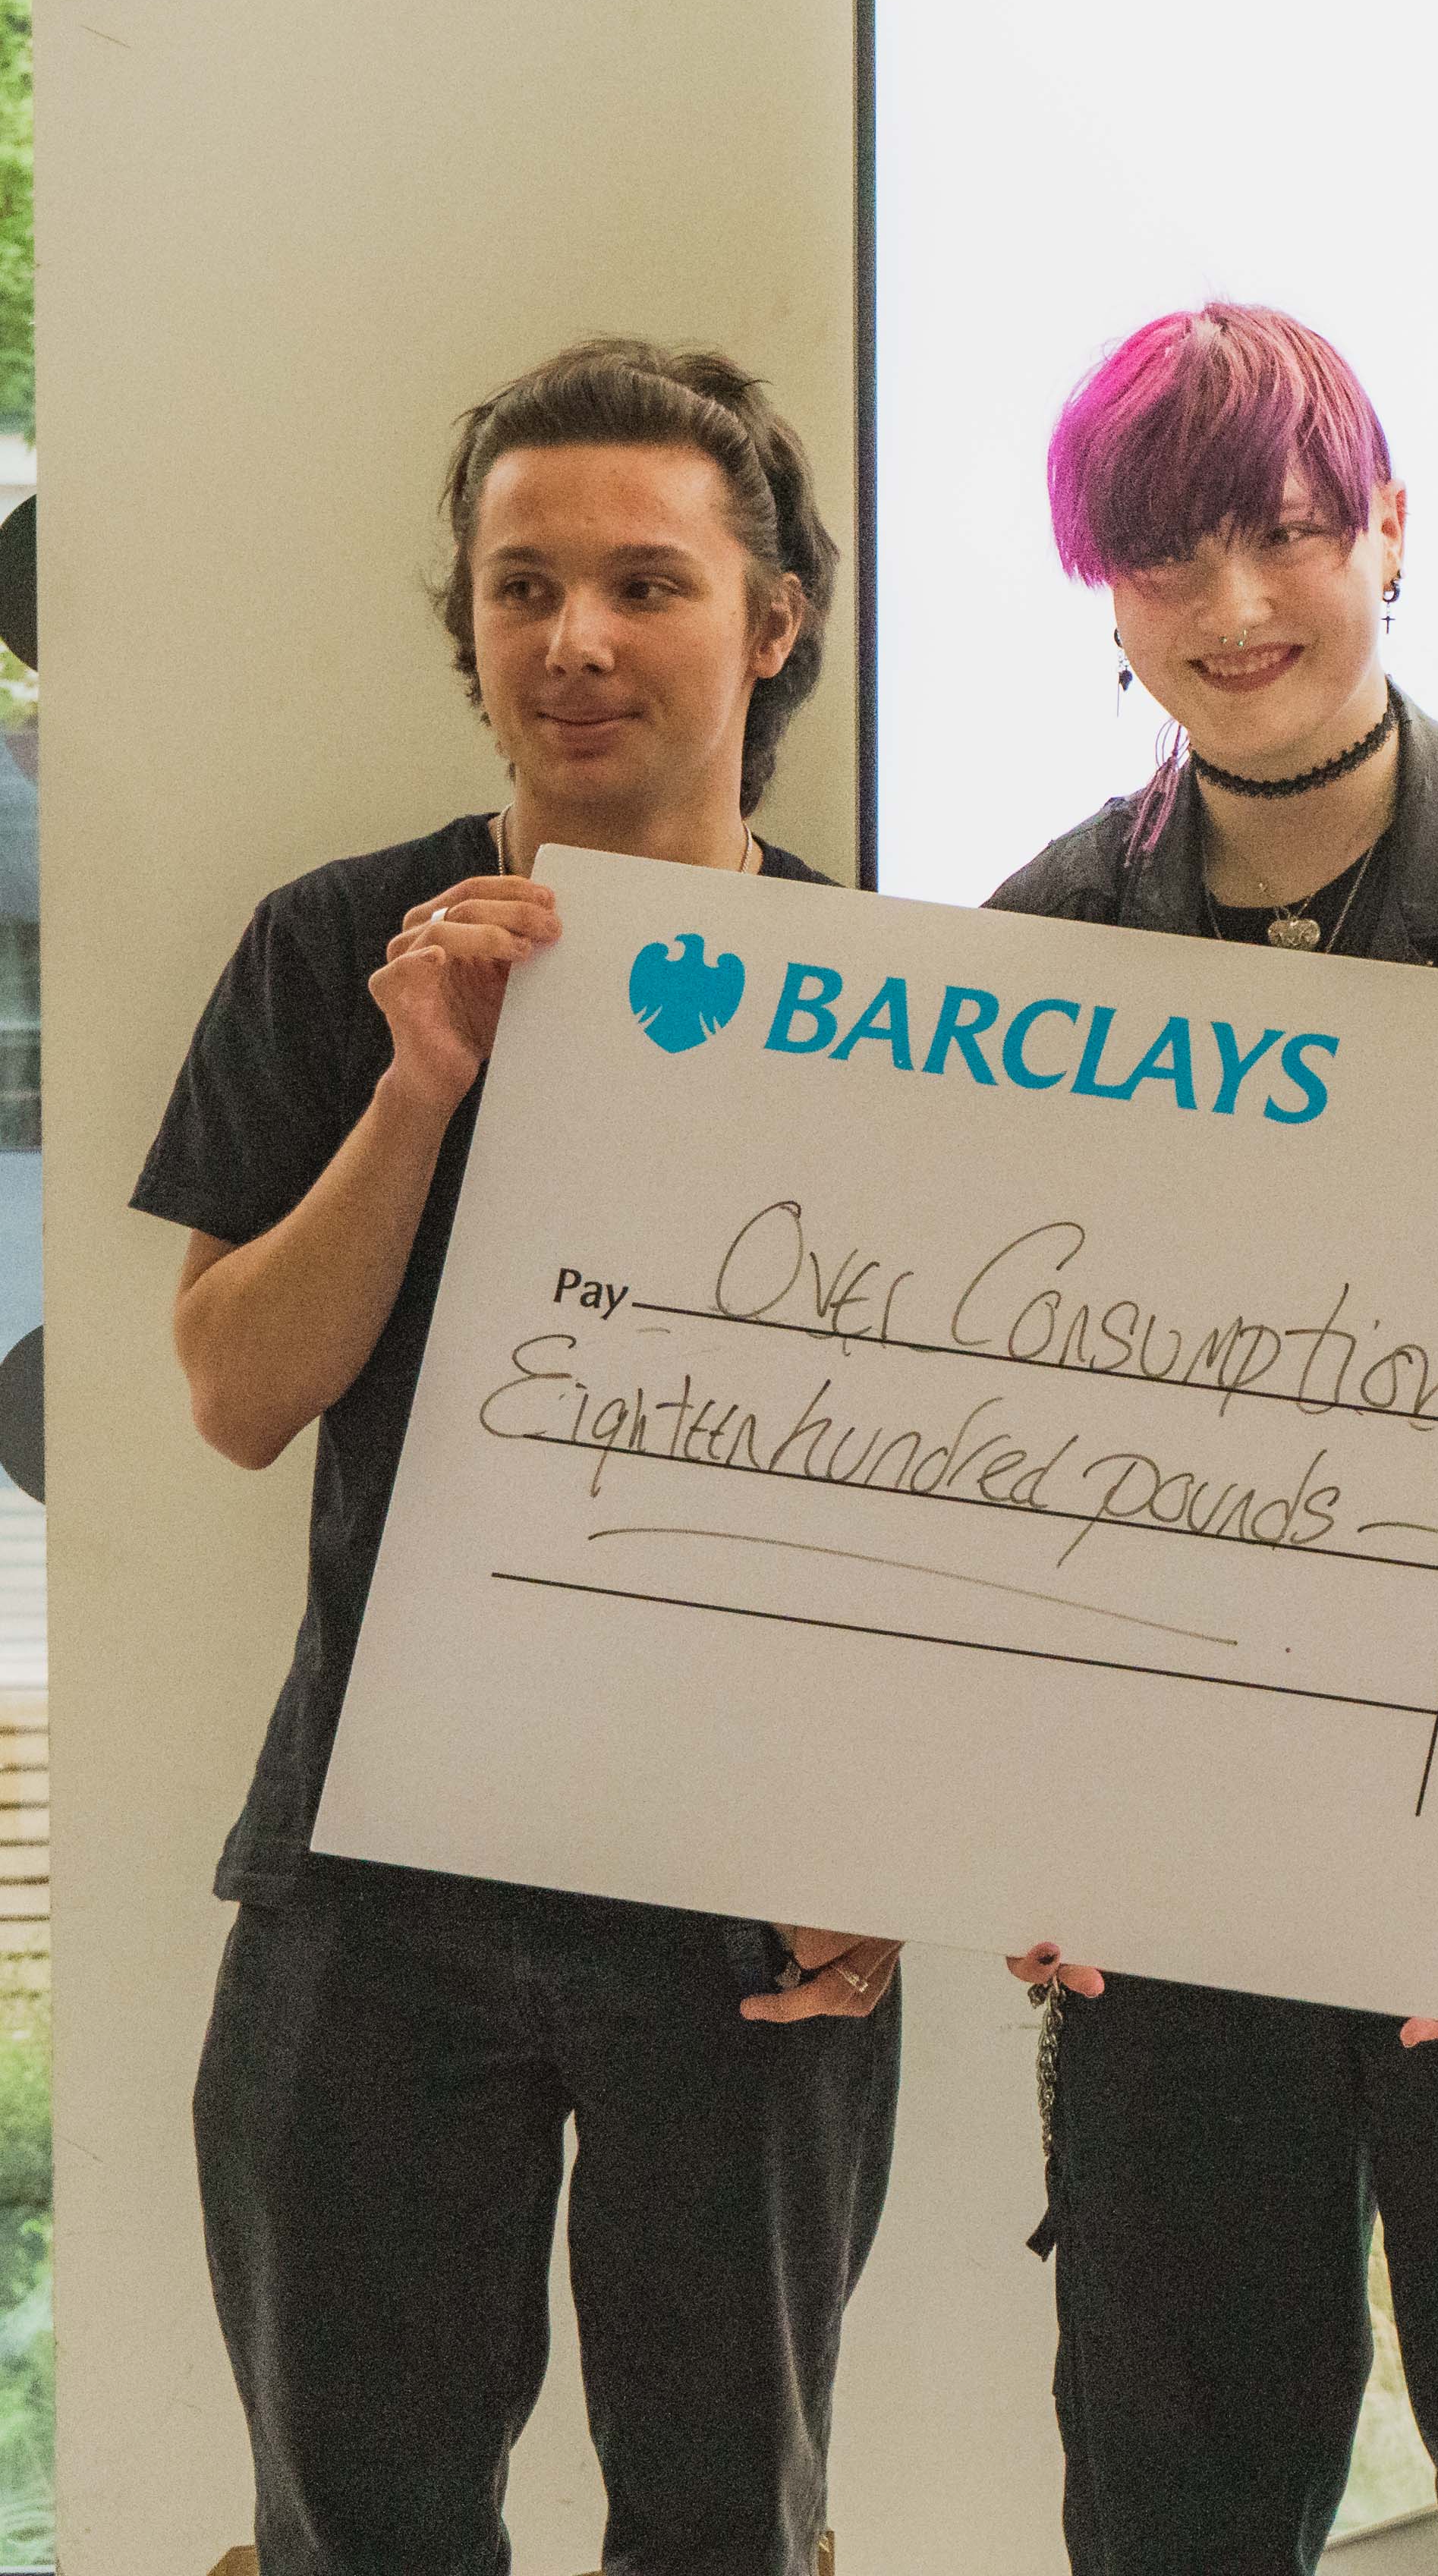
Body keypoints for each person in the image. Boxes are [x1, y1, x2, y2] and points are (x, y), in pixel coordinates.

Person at [143, 338, 900, 2576]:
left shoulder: (886, 996)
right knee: (352, 2514)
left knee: (728, 2526)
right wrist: (419, 1089)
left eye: (646, 583)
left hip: (748, 1911)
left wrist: (889, 1846)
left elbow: (956, 1502)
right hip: (371, 1888)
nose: (575, 640)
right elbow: (234, 1388)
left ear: (770, 626)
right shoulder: (330, 949)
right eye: (521, 585)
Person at [984, 303, 1438, 2576]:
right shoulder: (1043, 940)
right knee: (1179, 2498)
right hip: (1174, 1875)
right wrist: (1018, 1812)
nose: (1231, 613)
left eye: (1287, 537)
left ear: (1391, 532)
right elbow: (998, 1448)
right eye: (1162, 559)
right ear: (1099, 592)